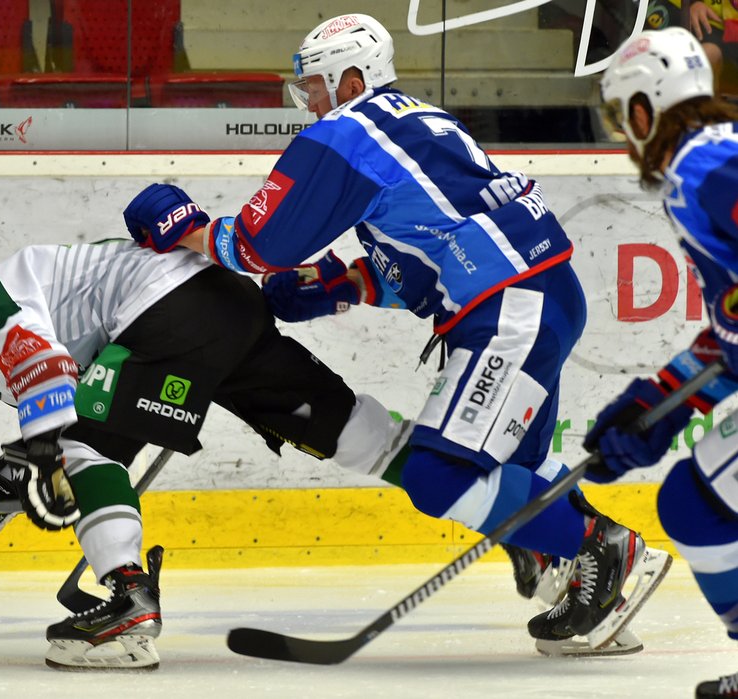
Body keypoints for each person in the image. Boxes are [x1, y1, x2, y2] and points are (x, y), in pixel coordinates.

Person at [120, 12, 673, 655]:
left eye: (317, 87)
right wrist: (342, 285)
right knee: (511, 466)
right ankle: (590, 580)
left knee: (439, 476)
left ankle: (599, 548)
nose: (311, 104)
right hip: (541, 296)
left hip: (509, 311)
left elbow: (260, 241)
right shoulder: (413, 125)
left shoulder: (354, 129)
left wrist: (187, 229)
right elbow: (421, 262)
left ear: (352, 78)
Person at [0, 240, 412, 670]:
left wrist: (39, 463)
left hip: (167, 311)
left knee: (76, 451)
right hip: (223, 306)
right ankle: (466, 468)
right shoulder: (5, 321)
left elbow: (52, 383)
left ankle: (128, 601)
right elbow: (87, 402)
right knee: (351, 434)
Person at [596, 26, 738, 698]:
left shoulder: (705, 166)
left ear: (644, 110)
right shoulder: (709, 163)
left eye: (622, 117)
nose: (625, 138)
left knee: (693, 503)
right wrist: (655, 406)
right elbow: (729, 332)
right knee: (693, 500)